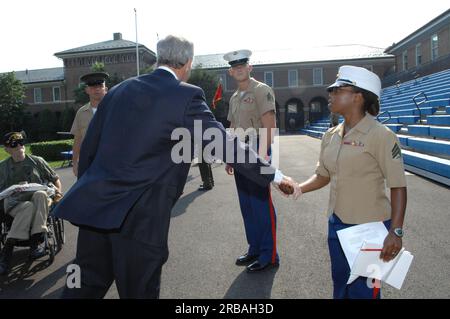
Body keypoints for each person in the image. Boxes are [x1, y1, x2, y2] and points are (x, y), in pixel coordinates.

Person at [52, 35, 296, 299]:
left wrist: (89, 188)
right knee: (139, 289)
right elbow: (224, 143)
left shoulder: (119, 90)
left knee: (80, 284)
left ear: (158, 59)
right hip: (140, 217)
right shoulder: (184, 95)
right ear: (188, 63)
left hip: (94, 211)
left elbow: (90, 147)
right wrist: (273, 174)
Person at [294, 65, 407, 299]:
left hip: (370, 230)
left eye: (338, 90)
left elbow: (398, 185)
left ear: (357, 97)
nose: (331, 95)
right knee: (340, 286)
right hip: (337, 225)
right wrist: (298, 188)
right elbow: (323, 175)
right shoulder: (331, 135)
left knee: (364, 293)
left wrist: (395, 231)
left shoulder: (381, 136)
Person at [223, 49, 280, 273]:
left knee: (261, 204)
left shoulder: (261, 90)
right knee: (247, 205)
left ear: (250, 67)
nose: (238, 69)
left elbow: (270, 125)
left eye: (242, 65)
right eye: (234, 67)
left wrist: (264, 157)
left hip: (258, 148)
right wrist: (229, 155)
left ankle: (270, 254)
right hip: (239, 150)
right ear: (230, 72)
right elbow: (232, 128)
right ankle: (255, 248)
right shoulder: (235, 97)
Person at [0, 132, 62, 275]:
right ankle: (16, 248)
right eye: (14, 145)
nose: (19, 147)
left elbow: (55, 179)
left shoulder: (37, 161)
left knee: (40, 195)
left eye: (21, 143)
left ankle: (31, 244)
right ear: (7, 149)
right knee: (28, 207)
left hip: (38, 200)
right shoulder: (2, 168)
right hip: (15, 204)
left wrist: (58, 193)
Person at [70, 72, 109, 176]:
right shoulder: (81, 113)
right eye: (92, 86)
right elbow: (77, 140)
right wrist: (75, 162)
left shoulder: (114, 110)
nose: (97, 89)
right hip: (88, 163)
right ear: (87, 90)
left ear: (106, 89)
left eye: (100, 86)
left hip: (111, 161)